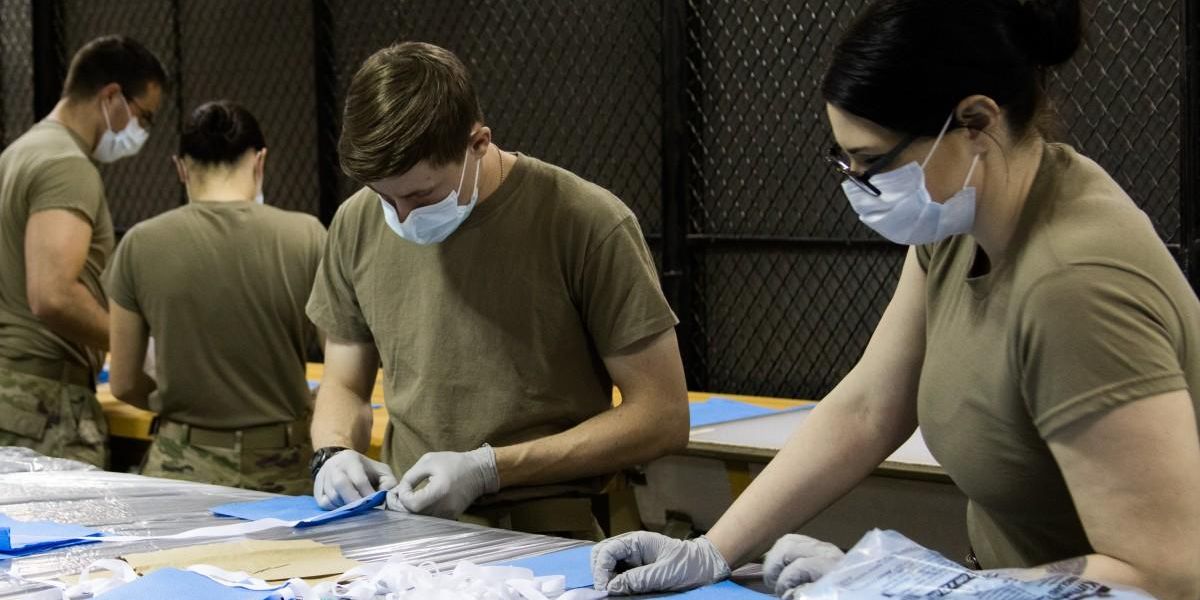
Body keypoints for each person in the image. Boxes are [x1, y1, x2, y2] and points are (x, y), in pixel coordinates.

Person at [590, 0, 1200, 598]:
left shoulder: (1075, 283)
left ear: (976, 122)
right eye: (844, 159)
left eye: (872, 161)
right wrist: (715, 548)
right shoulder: (963, 220)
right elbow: (869, 406)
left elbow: (1165, 574)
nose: (858, 184)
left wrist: (915, 589)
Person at [306, 41, 689, 540]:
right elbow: (344, 384)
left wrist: (490, 469)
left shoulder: (585, 223)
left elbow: (662, 415)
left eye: (422, 195)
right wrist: (334, 454)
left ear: (479, 143)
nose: (402, 217)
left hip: (546, 531)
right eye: (386, 196)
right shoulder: (357, 222)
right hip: (406, 526)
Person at [106, 101, 326, 494]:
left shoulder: (140, 243)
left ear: (180, 167)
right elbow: (343, 367)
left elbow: (123, 382)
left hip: (181, 464)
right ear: (260, 161)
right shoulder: (306, 235)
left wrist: (182, 409)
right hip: (283, 464)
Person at [0, 35, 166, 468]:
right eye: (143, 117)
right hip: (43, 400)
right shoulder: (65, 165)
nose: (141, 133)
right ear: (112, 96)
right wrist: (134, 345)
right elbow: (52, 294)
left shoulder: (17, 154)